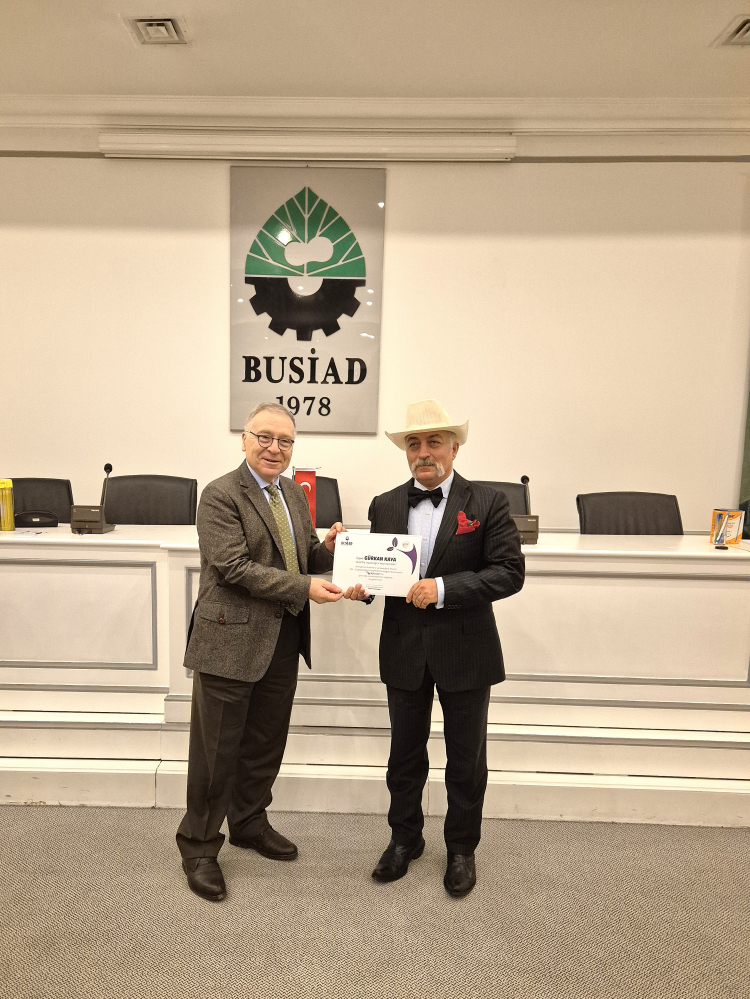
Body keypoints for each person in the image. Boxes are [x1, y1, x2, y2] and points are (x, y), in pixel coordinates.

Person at [345, 399, 525, 897]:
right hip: (403, 648)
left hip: (467, 650)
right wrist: (361, 588)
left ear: (454, 447)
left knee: (465, 760)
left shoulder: (488, 502)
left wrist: (444, 589)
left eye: (433, 442)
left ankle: (462, 848)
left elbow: (509, 573)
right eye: (413, 444)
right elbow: (381, 573)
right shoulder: (384, 504)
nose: (423, 453)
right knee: (403, 756)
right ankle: (405, 839)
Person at [177, 402, 344, 902]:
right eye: (265, 437)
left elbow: (302, 555)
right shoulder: (220, 494)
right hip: (229, 639)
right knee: (216, 751)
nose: (275, 448)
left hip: (282, 637)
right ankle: (199, 847)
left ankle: (249, 821)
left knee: (265, 742)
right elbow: (234, 568)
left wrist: (329, 549)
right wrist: (305, 587)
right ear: (245, 439)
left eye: (285, 441)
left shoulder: (292, 492)